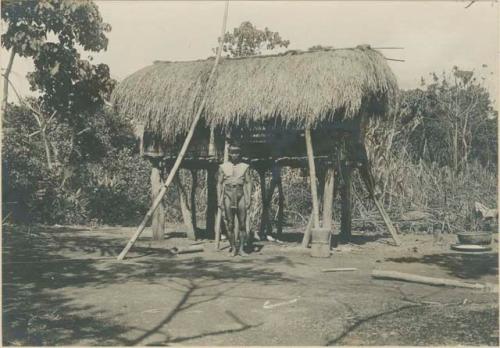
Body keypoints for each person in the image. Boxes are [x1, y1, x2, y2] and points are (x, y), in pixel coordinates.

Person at [217, 144, 252, 256]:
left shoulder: (245, 166)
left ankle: (241, 249)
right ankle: (233, 248)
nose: (235, 155)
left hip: (240, 195)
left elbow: (248, 182)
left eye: (237, 152)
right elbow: (219, 183)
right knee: (230, 224)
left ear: (239, 153)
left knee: (242, 224)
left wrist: (248, 198)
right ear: (230, 154)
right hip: (227, 195)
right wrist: (219, 198)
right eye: (233, 152)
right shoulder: (223, 167)